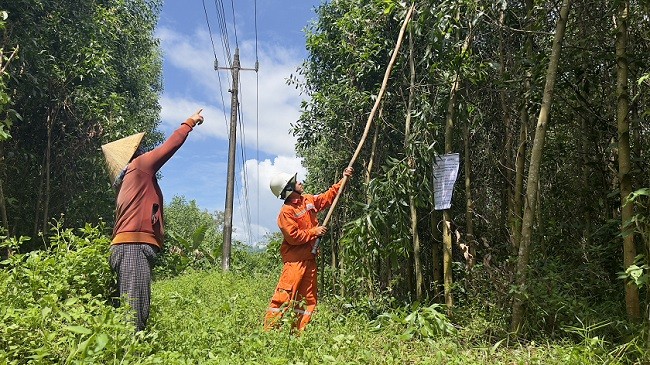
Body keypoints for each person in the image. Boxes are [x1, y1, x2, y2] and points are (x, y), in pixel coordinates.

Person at [101, 109, 205, 331]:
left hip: (127, 247)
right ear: (134, 153)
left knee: (135, 307)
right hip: (133, 247)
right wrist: (190, 122)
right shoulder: (139, 167)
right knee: (134, 314)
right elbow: (170, 146)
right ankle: (132, 355)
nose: (144, 151)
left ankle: (131, 351)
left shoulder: (127, 181)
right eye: (140, 149)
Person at [264, 166, 353, 331]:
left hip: (310, 259)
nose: (300, 182)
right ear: (289, 188)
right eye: (295, 182)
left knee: (308, 299)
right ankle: (269, 333)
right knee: (284, 297)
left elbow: (327, 198)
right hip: (294, 262)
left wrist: (344, 178)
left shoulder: (308, 200)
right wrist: (314, 231)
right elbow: (293, 237)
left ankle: (299, 333)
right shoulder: (286, 212)